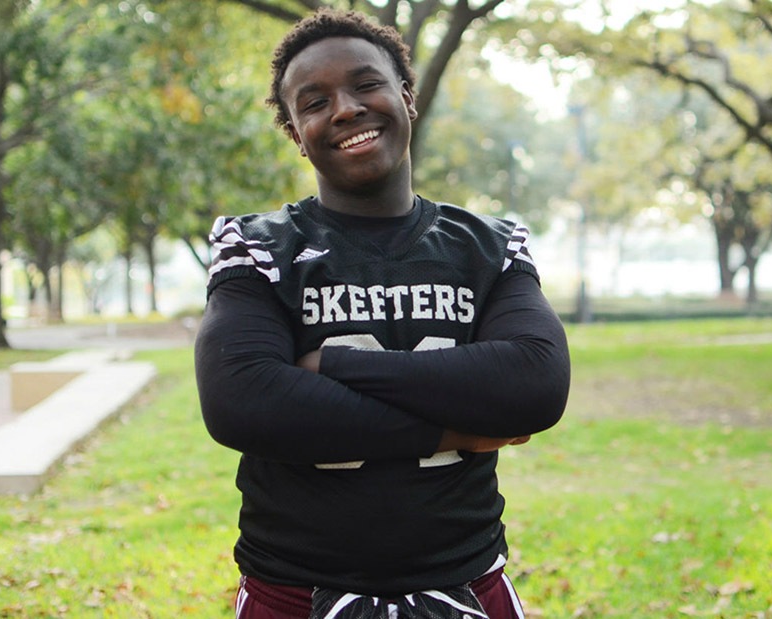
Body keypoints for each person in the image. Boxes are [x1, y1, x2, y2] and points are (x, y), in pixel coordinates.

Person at [193, 9, 570, 619]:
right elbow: (241, 399)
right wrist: (453, 433)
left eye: (366, 84)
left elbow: (534, 383)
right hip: (294, 590)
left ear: (407, 97)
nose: (345, 109)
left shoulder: (490, 244)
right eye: (314, 102)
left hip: (464, 584)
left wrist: (331, 365)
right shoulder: (257, 245)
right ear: (295, 133)